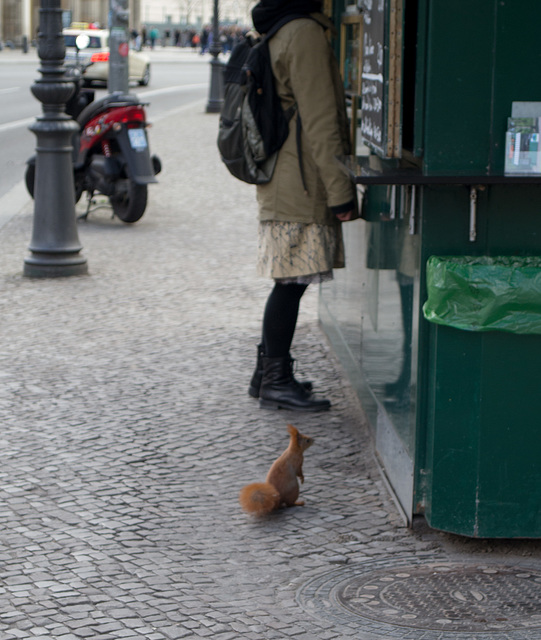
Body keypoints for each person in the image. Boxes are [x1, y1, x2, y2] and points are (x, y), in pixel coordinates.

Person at [248, 0, 356, 412]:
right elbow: (322, 119)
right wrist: (340, 190)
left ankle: (266, 375)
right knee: (290, 283)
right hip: (302, 182)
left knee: (289, 280)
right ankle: (275, 379)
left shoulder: (280, 27)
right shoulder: (304, 33)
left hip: (287, 177)